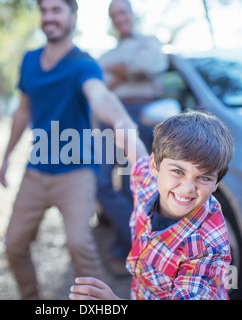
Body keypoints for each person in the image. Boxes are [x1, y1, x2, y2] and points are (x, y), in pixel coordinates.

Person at [0, 0, 147, 300]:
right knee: (14, 244)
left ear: (72, 15)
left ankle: (99, 303)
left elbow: (100, 96)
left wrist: (120, 121)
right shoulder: (29, 61)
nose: (49, 16)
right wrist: (6, 157)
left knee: (80, 244)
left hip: (77, 171)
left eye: (57, 10)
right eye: (45, 10)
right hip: (37, 170)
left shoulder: (84, 64)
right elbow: (23, 112)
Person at [69, 110, 234, 300]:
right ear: (155, 167)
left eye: (203, 177)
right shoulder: (149, 184)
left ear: (216, 183)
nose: (188, 188)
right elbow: (136, 153)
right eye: (178, 171)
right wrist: (123, 127)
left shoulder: (207, 247)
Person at [96, 0, 169, 274]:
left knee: (133, 185)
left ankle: (124, 250)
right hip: (111, 115)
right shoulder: (108, 54)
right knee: (100, 182)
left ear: (131, 14)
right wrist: (127, 68)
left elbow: (153, 65)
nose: (119, 18)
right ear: (111, 20)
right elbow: (102, 84)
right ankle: (142, 246)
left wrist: (120, 70)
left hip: (143, 114)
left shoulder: (150, 41)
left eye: (122, 12)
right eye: (114, 15)